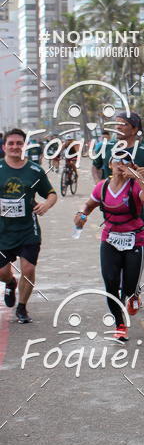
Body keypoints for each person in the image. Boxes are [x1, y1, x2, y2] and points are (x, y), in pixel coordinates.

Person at [74, 151, 144, 341]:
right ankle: (120, 324)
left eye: (125, 160)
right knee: (110, 283)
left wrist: (139, 178)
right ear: (110, 164)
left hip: (135, 240)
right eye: (117, 160)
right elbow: (88, 205)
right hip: (110, 239)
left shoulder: (135, 186)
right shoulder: (102, 187)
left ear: (131, 166)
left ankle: (134, 293)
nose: (120, 163)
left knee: (128, 288)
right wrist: (81, 215)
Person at [92, 111, 144, 312]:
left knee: (133, 258)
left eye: (122, 124)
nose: (117, 127)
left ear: (135, 129)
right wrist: (101, 187)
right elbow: (96, 167)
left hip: (137, 213)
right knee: (112, 264)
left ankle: (132, 288)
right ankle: (122, 298)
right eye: (116, 124)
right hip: (112, 213)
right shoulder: (106, 148)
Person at [0, 128, 57, 323]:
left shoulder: (34, 170)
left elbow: (51, 193)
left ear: (24, 146)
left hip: (27, 230)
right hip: (2, 231)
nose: (15, 147)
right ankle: (10, 282)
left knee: (29, 268)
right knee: (2, 272)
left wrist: (46, 205)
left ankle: (22, 308)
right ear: (4, 146)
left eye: (18, 143)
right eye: (11, 143)